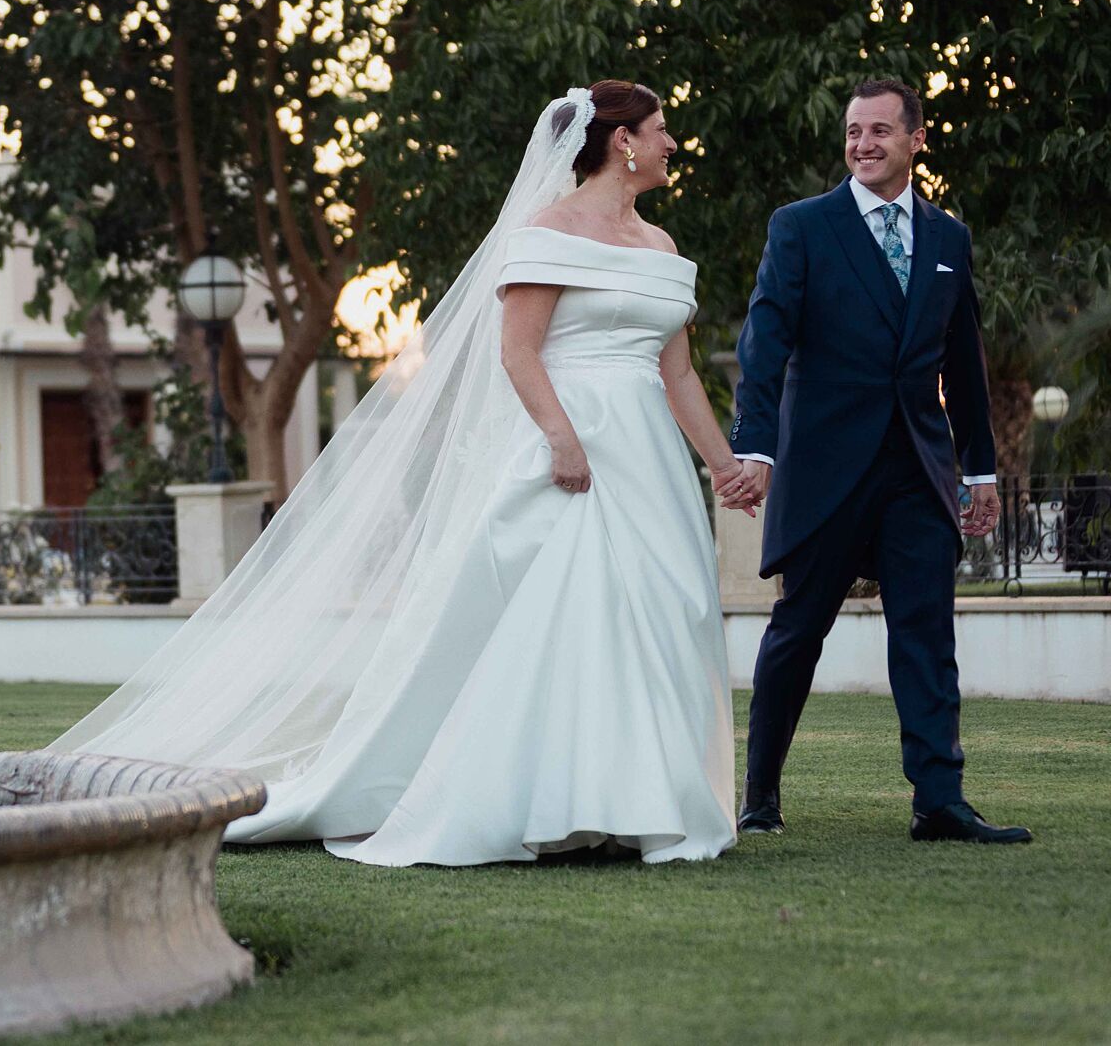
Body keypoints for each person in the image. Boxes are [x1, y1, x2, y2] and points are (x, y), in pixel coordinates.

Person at [51, 82, 755, 865]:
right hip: (572, 444)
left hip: (648, 454)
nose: (670, 143)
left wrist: (723, 466)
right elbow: (518, 351)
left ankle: (644, 802)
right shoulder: (546, 233)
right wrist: (562, 438)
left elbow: (680, 372)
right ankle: (550, 802)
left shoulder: (661, 248)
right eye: (660, 130)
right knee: (571, 614)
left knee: (658, 614)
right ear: (622, 141)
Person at [729, 78, 1031, 845]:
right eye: (853, 132)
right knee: (798, 629)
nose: (863, 144)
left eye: (880, 132)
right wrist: (755, 446)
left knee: (926, 632)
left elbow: (963, 363)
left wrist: (982, 469)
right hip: (826, 466)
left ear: (916, 139)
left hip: (916, 470)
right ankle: (760, 793)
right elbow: (764, 344)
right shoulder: (801, 227)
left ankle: (939, 801)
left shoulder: (948, 239)